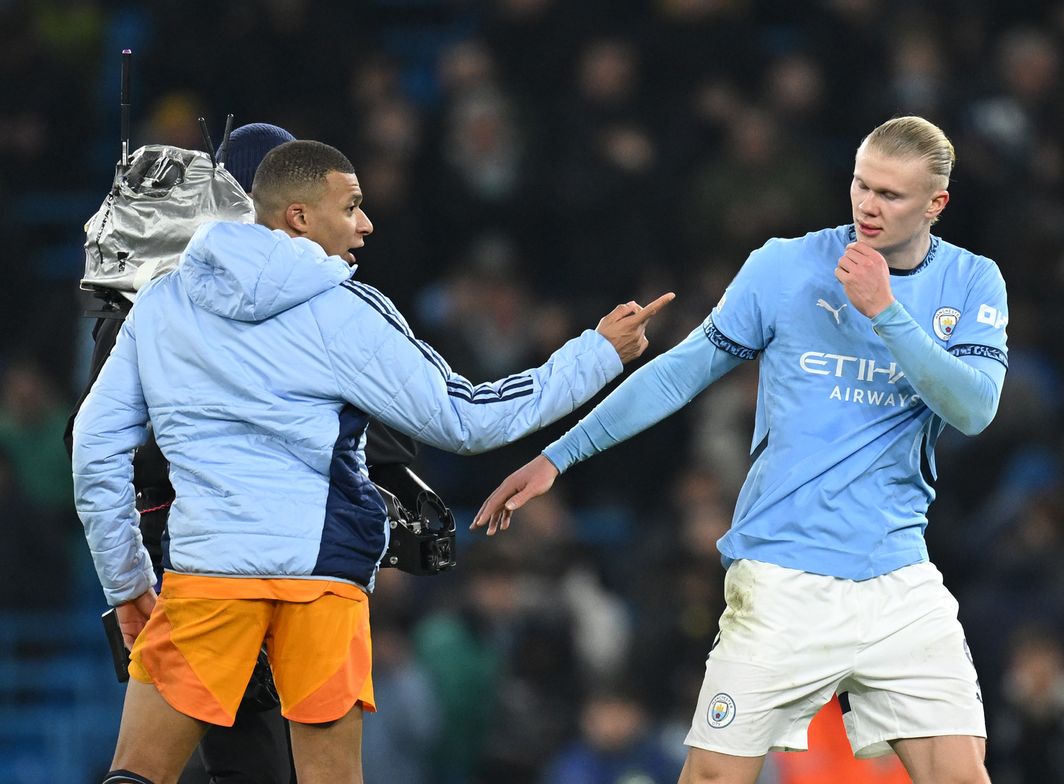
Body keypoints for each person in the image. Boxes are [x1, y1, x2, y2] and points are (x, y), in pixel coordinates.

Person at [72, 139, 672, 784]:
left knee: (137, 775)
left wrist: (128, 585)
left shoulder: (162, 305)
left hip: (208, 579)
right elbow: (468, 420)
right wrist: (598, 353)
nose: (367, 224)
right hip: (321, 585)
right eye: (352, 206)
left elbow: (94, 454)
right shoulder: (344, 310)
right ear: (298, 217)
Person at [474, 116, 1009, 784]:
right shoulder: (784, 266)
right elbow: (681, 371)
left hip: (897, 579)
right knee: (711, 779)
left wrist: (885, 312)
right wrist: (559, 455)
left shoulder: (972, 282)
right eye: (860, 185)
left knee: (961, 777)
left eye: (892, 196)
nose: (869, 206)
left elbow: (975, 408)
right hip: (783, 578)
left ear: (937, 204)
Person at [65, 122, 300, 784]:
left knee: (224, 756)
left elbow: (86, 445)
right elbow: (96, 444)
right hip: (206, 556)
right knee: (227, 757)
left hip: (211, 553)